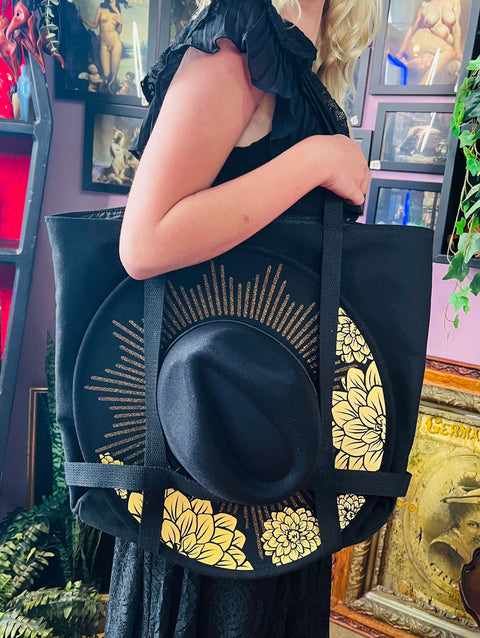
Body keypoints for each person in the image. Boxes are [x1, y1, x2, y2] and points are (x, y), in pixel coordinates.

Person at [106, 0, 381, 635]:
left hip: (273, 449)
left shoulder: (304, 33)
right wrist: (317, 159)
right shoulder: (241, 30)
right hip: (211, 452)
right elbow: (144, 241)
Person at [395, 0, 463, 85]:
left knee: (426, 64)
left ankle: (409, 63)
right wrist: (400, 52)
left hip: (437, 47)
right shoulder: (425, 5)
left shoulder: (454, 2)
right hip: (423, 38)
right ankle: (422, 85)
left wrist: (458, 50)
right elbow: (413, 28)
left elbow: (456, 27)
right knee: (449, 52)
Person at [79, 0, 126, 93]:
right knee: (105, 75)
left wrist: (120, 23)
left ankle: (112, 95)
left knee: (113, 76)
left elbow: (119, 31)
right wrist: (82, 18)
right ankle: (101, 95)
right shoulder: (101, 8)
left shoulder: (117, 11)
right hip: (104, 44)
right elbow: (94, 25)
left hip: (115, 43)